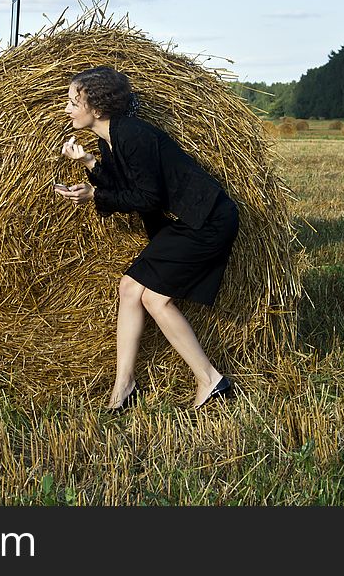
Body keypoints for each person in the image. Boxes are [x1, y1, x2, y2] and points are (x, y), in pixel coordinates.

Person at [54, 66, 239, 411]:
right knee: (129, 289)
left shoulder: (132, 135)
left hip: (206, 220)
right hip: (184, 222)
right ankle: (123, 387)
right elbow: (120, 190)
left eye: (72, 101)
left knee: (156, 300)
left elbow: (147, 198)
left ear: (95, 106)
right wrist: (90, 163)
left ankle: (210, 379)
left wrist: (94, 195)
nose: (67, 109)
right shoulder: (110, 139)